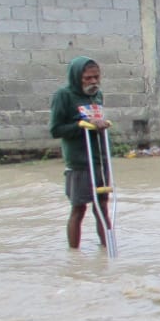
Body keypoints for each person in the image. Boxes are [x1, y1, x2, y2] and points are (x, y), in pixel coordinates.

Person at [49, 56, 112, 249]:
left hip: (100, 159)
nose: (93, 82)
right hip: (79, 162)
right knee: (79, 209)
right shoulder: (64, 96)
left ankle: (107, 248)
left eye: (96, 77)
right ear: (77, 77)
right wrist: (81, 125)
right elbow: (56, 129)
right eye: (88, 78)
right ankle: (74, 254)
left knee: (102, 207)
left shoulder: (97, 95)